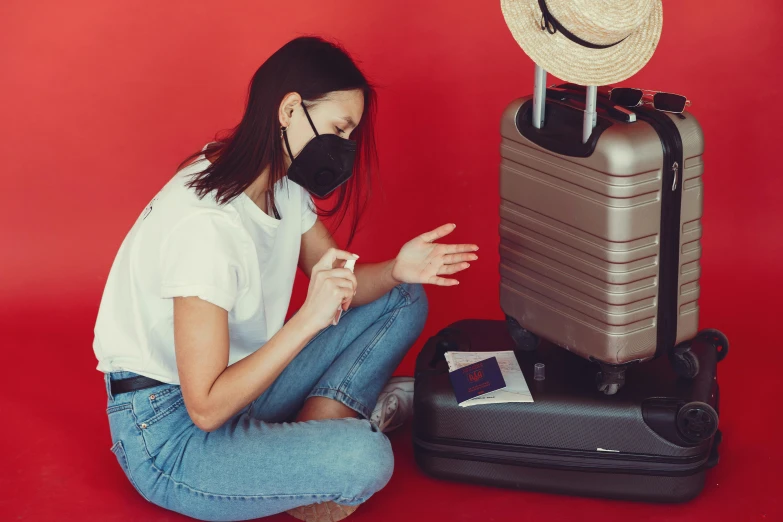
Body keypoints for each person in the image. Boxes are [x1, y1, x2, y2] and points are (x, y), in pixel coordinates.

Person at [93, 36, 478, 522]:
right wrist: (307, 321)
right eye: (339, 128)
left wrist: (399, 268)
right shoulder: (206, 229)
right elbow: (206, 408)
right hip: (169, 434)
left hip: (243, 383)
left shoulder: (275, 180)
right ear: (290, 109)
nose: (344, 147)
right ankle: (326, 445)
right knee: (366, 459)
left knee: (403, 296)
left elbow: (342, 280)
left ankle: (305, 445)